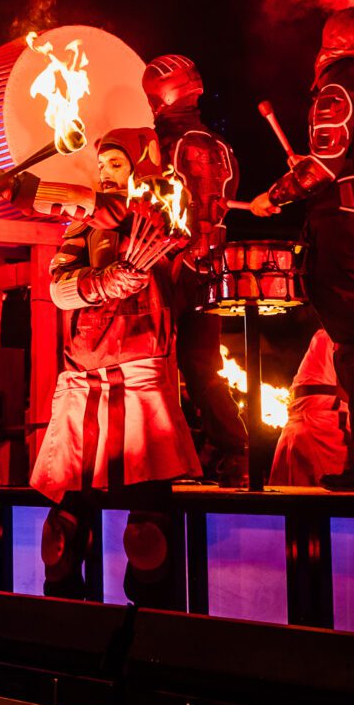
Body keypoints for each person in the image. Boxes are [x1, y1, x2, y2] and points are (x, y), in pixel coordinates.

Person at [0, 128, 200, 602]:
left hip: (144, 375)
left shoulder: (166, 215)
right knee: (59, 541)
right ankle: (69, 644)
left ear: (142, 168)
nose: (106, 176)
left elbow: (142, 225)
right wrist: (102, 281)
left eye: (117, 166)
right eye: (102, 167)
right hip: (84, 378)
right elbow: (60, 290)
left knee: (149, 540)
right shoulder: (84, 224)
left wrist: (30, 192)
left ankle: (149, 644)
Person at [250, 7, 354, 490]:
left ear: (329, 46)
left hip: (349, 227)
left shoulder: (337, 89)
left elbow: (323, 167)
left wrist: (275, 195)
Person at [141, 54, 248, 487]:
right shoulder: (221, 146)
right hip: (214, 265)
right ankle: (235, 453)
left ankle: (170, 460)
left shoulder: (160, 142)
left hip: (174, 264)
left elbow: (156, 206)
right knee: (202, 365)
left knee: (159, 362)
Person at [269, 328, 352, 486]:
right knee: (328, 499)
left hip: (294, 427)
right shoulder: (345, 337)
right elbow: (347, 392)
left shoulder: (323, 335)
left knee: (286, 499)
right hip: (323, 427)